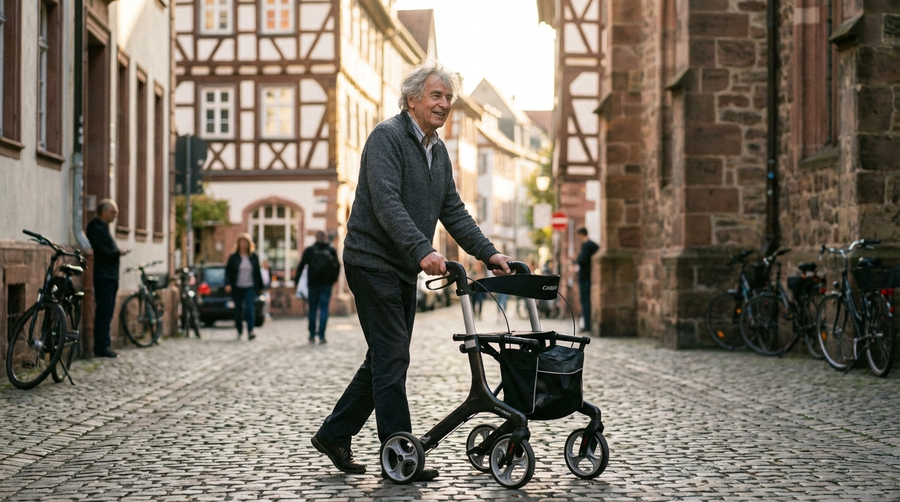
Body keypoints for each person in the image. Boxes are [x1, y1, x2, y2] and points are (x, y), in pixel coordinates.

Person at [310, 60, 512, 482]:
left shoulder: (437, 150)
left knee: (384, 356)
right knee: (393, 355)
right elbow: (386, 202)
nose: (445, 104)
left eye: (448, 97)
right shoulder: (387, 138)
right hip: (370, 260)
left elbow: (453, 210)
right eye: (436, 96)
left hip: (401, 267)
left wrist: (489, 254)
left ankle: (334, 433)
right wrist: (423, 249)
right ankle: (399, 452)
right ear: (412, 100)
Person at [85, 199, 131, 358]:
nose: (115, 216)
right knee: (104, 311)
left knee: (107, 311)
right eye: (113, 212)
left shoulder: (102, 227)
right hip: (103, 275)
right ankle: (101, 346)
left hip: (108, 275)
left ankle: (103, 344)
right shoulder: (96, 227)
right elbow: (101, 252)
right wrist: (117, 252)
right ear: (103, 212)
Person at [295, 230, 341, 344]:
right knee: (324, 309)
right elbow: (338, 266)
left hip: (313, 284)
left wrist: (297, 282)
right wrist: (333, 280)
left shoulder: (310, 250)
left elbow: (301, 266)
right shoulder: (331, 250)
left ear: (316, 237)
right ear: (325, 237)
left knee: (312, 309)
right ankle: (321, 335)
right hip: (326, 284)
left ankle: (311, 334)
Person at [224, 233, 264, 340]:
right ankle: (239, 329)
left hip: (249, 286)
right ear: (238, 244)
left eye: (245, 243)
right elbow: (228, 272)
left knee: (249, 308)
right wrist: (227, 284)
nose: (243, 245)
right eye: (241, 243)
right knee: (238, 309)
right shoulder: (233, 257)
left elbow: (257, 272)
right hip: (237, 287)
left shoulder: (253, 257)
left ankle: (251, 330)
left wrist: (260, 287)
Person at [575, 227, 599, 332]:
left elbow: (582, 260)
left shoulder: (587, 245)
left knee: (585, 302)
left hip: (585, 277)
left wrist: (576, 260)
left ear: (581, 234)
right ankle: (587, 324)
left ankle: (587, 325)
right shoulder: (593, 245)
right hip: (588, 276)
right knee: (586, 302)